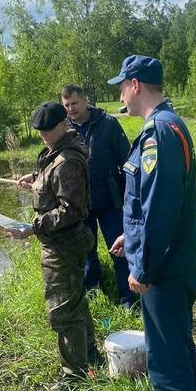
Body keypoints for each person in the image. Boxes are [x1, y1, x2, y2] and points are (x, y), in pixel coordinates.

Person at [108, 55, 196, 391]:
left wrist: (140, 268)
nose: (120, 97)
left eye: (121, 88)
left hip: (163, 270)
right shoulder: (168, 125)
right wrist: (129, 235)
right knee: (178, 350)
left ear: (134, 84)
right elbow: (150, 207)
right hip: (174, 262)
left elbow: (160, 210)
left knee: (166, 364)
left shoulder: (158, 134)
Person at [12, 101, 103, 391]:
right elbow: (54, 183)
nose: (43, 136)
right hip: (63, 242)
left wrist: (32, 228)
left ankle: (73, 376)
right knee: (75, 300)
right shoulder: (57, 152)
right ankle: (90, 356)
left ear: (64, 124)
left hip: (63, 245)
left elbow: (71, 210)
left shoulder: (68, 161)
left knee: (62, 309)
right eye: (39, 132)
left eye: (48, 131)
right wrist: (36, 180)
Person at [60, 84, 135, 306]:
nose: (71, 109)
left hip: (111, 198)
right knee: (87, 251)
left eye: (74, 103)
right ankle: (93, 295)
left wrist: (132, 193)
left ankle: (128, 297)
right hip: (81, 202)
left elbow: (128, 160)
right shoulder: (64, 128)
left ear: (85, 100)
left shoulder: (108, 124)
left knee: (119, 250)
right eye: (66, 105)